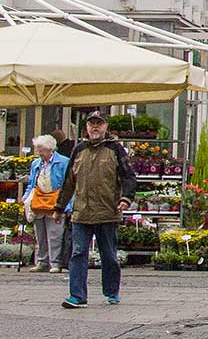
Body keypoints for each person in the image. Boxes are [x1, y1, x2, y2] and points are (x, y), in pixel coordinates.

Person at [53, 111, 135, 308]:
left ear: (105, 126)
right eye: (91, 124)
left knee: (109, 255)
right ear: (86, 127)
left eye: (99, 124)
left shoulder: (115, 149)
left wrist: (126, 199)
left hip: (107, 212)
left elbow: (128, 177)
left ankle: (111, 291)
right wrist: (59, 207)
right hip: (81, 212)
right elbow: (68, 182)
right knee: (78, 253)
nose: (95, 127)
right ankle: (78, 296)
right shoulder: (79, 150)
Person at [21, 135, 70, 273]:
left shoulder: (63, 162)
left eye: (41, 150)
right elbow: (32, 184)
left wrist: (68, 205)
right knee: (40, 234)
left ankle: (55, 263)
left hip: (56, 202)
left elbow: (69, 185)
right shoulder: (36, 164)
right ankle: (42, 261)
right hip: (38, 202)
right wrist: (25, 198)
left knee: (55, 234)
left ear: (50, 149)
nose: (39, 153)